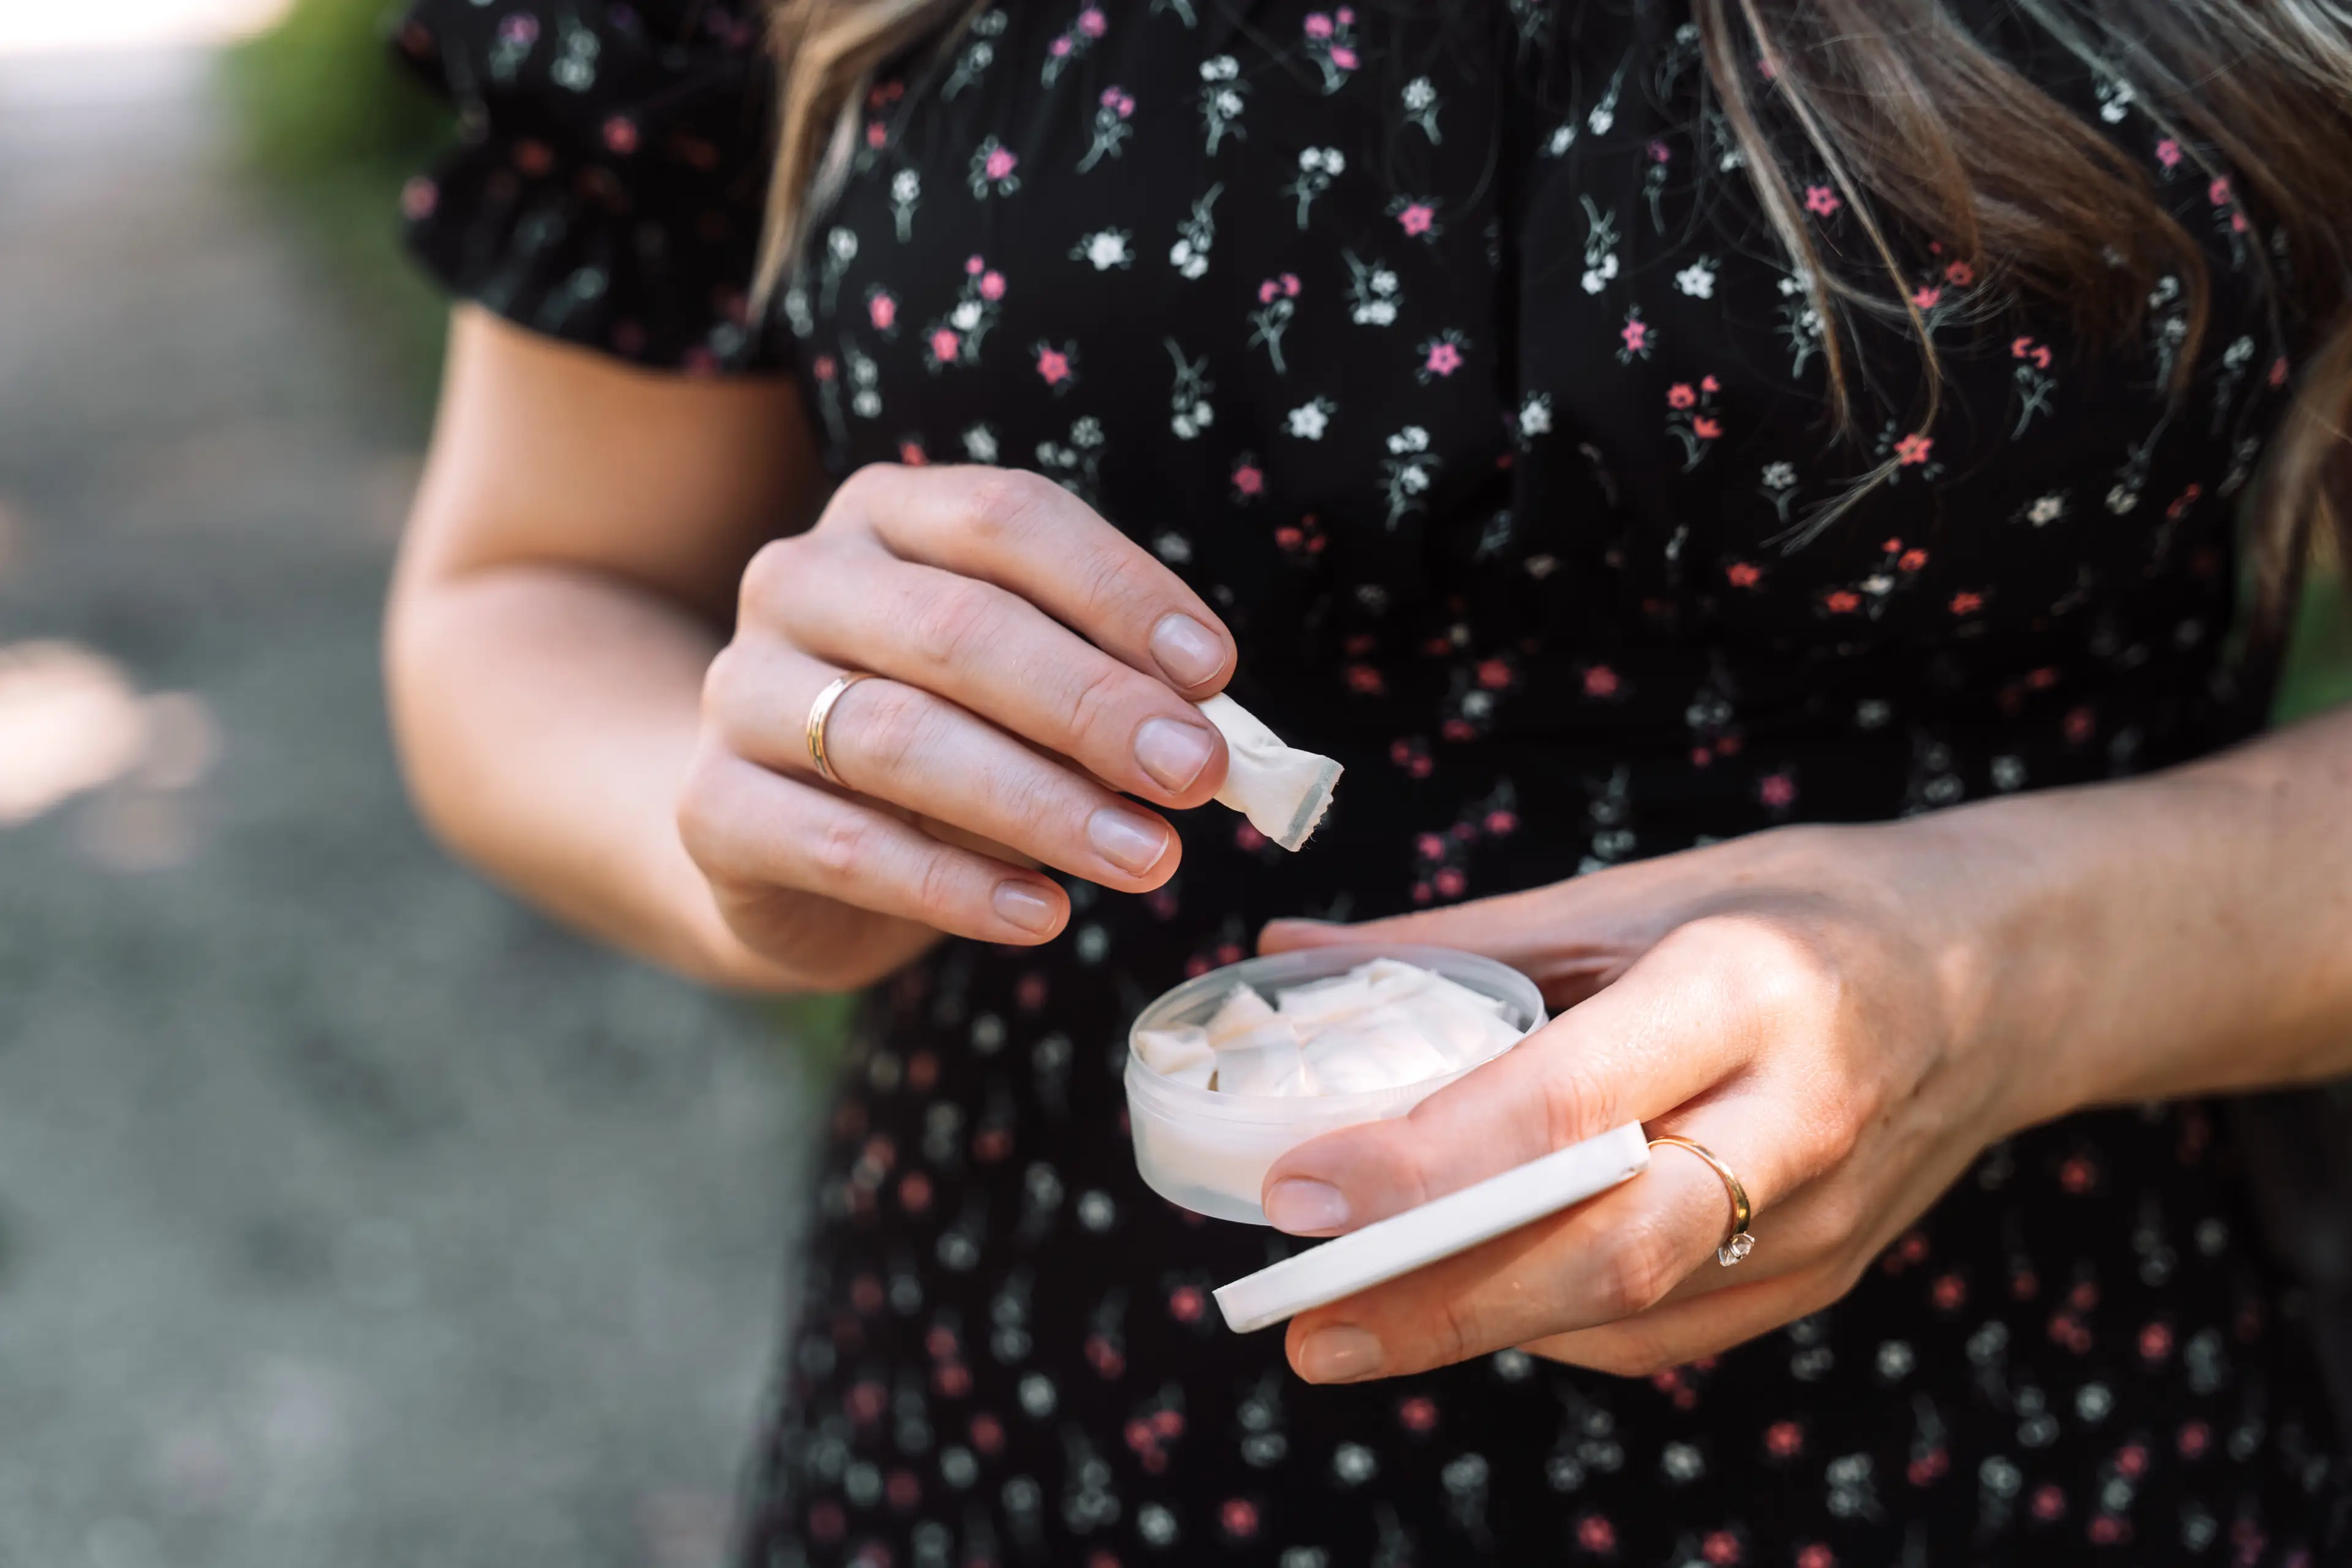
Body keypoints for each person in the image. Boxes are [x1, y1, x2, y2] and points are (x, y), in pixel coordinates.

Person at [385, 0, 2352, 1559]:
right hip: (1049, 1427)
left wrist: (1984, 982)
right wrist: (756, 815)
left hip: (2035, 1433)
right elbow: (530, 592)